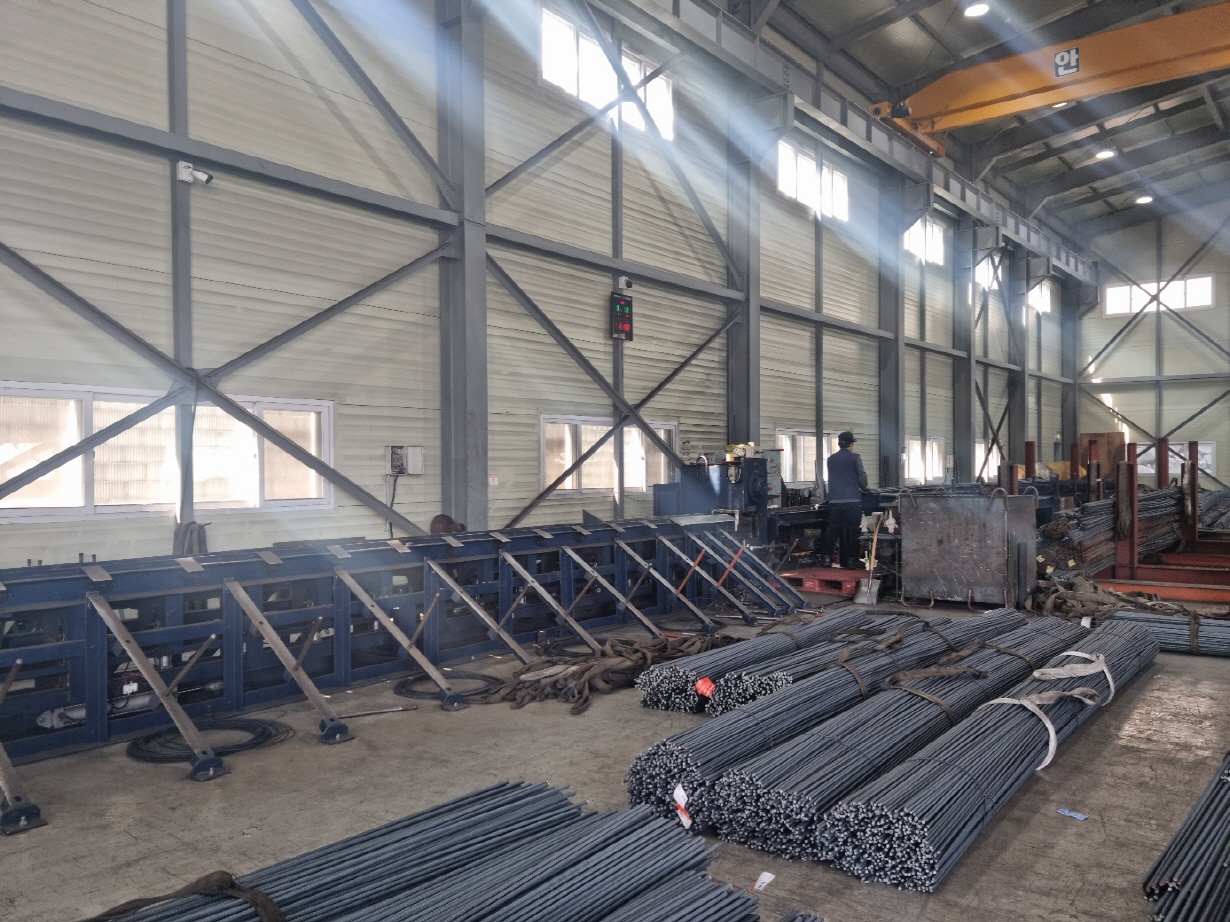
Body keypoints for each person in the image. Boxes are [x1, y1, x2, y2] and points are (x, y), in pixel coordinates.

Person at [826, 431, 868, 569]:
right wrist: (864, 487)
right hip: (852, 500)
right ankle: (851, 560)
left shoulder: (831, 459)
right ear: (851, 444)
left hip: (835, 500)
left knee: (833, 530)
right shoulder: (855, 458)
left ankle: (826, 558)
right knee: (853, 530)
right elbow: (861, 475)